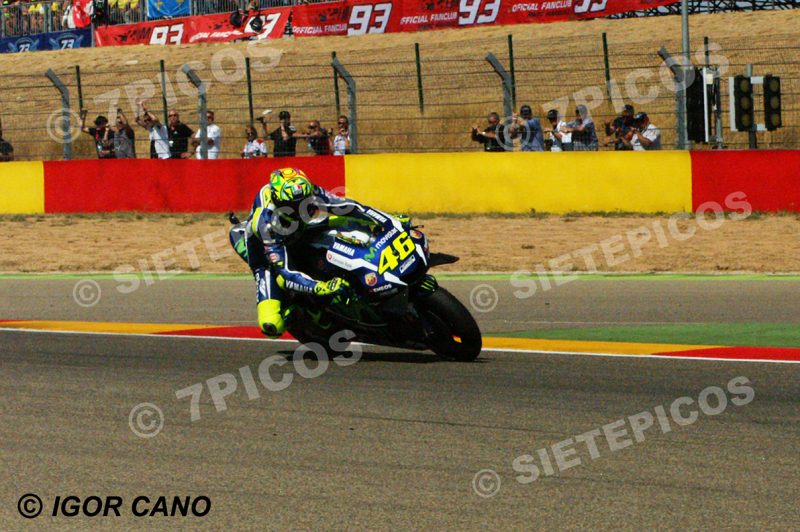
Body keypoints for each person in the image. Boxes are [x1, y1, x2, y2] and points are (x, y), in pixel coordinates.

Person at [228, 167, 386, 337]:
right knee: (272, 325)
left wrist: (385, 220)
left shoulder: (306, 189)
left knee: (349, 223)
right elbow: (284, 275)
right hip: (266, 253)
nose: (302, 207)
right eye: (294, 206)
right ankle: (300, 310)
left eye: (305, 201)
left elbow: (346, 206)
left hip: (300, 231)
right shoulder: (266, 223)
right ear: (279, 203)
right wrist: (321, 287)